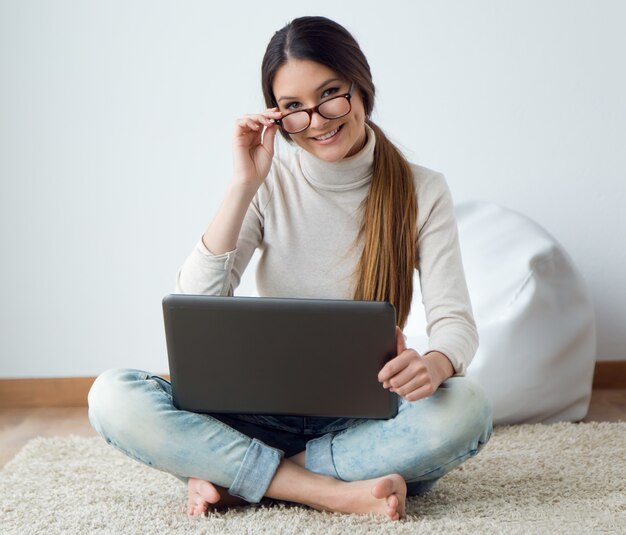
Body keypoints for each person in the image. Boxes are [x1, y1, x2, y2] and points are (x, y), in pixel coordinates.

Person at [88, 15, 493, 522]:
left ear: (360, 85)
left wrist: (434, 366)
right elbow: (196, 305)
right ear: (276, 117)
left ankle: (244, 480)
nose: (318, 121)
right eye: (294, 108)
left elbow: (455, 324)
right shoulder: (267, 181)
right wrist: (242, 185)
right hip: (255, 413)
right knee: (112, 397)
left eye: (330, 94)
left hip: (362, 418)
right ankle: (330, 490)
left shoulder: (423, 190)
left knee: (467, 410)